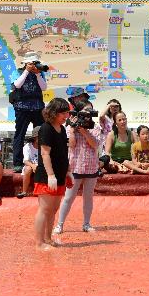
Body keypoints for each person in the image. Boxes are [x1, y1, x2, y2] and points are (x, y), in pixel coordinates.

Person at [54, 99, 107, 235]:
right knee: (68, 197)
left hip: (91, 166)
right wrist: (72, 130)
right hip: (75, 166)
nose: (87, 115)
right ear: (78, 112)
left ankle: (86, 224)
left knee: (88, 197)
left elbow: (95, 145)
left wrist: (84, 131)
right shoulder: (70, 126)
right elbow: (71, 145)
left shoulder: (94, 127)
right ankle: (59, 225)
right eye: (85, 112)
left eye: (90, 111)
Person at [33, 98, 71, 250]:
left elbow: (64, 153)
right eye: (63, 113)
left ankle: (48, 239)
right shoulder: (46, 128)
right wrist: (50, 175)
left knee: (53, 209)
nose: (66, 116)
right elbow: (45, 153)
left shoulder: (62, 130)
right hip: (46, 176)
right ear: (54, 112)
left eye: (67, 112)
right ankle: (39, 243)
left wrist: (68, 172)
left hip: (60, 175)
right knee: (44, 209)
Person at [11, 51, 47, 173]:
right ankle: (17, 163)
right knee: (19, 135)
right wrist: (26, 71)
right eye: (32, 63)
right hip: (22, 108)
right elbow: (17, 84)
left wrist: (37, 75)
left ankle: (43, 162)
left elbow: (44, 87)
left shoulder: (40, 72)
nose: (34, 65)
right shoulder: (18, 71)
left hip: (37, 108)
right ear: (26, 63)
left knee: (42, 135)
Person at [18, 125, 40, 199]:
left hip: (42, 166)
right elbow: (26, 160)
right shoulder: (27, 146)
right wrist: (33, 166)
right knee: (28, 169)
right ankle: (24, 191)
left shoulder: (45, 146)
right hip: (30, 165)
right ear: (35, 137)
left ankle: (40, 190)